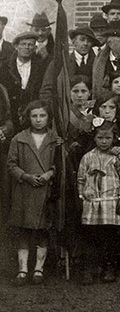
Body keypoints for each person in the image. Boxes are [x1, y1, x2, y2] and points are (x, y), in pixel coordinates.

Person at [6, 100, 60, 286]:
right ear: (28, 117)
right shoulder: (19, 138)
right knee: (24, 230)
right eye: (34, 116)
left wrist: (49, 174)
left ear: (48, 117)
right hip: (24, 191)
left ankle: (39, 268)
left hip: (45, 189)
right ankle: (23, 270)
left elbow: (58, 163)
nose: (38, 120)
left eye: (42, 116)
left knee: (43, 229)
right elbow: (11, 164)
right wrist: (26, 176)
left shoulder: (55, 139)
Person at [77, 120, 120, 285]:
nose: (104, 141)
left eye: (108, 138)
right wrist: (82, 196)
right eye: (100, 138)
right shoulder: (87, 157)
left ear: (114, 138)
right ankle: (90, 269)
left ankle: (109, 267)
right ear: (95, 138)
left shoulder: (118, 158)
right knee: (92, 237)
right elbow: (81, 179)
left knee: (110, 237)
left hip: (111, 203)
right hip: (92, 203)